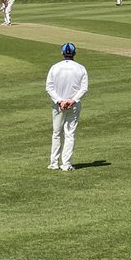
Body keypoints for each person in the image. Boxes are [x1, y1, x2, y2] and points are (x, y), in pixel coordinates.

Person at [45, 42, 89, 172]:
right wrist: (72, 100)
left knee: (57, 133)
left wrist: (60, 101)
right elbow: (84, 89)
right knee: (69, 134)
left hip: (58, 105)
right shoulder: (81, 68)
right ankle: (66, 164)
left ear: (62, 53)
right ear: (74, 53)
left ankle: (54, 163)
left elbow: (49, 87)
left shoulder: (55, 67)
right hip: (73, 105)